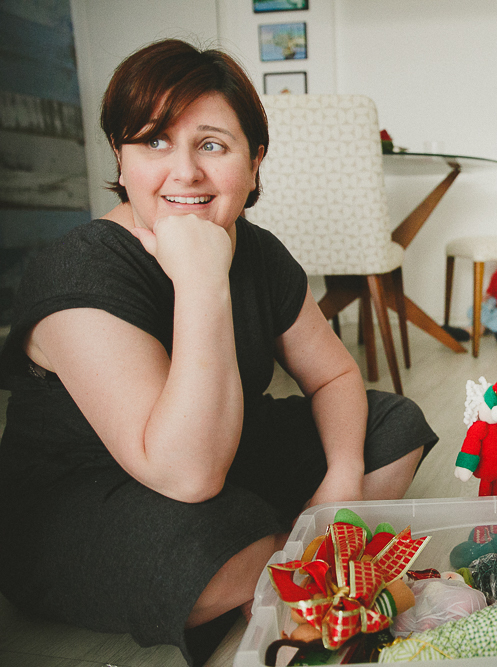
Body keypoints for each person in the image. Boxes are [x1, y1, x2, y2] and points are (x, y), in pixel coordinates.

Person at [0, 40, 438, 666]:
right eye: (154, 142)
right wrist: (201, 278)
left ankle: (281, 560)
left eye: (211, 145)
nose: (184, 172)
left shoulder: (256, 250)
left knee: (392, 424)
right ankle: (290, 558)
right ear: (121, 158)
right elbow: (188, 475)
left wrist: (342, 479)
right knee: (218, 537)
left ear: (254, 162)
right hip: (89, 495)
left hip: (219, 450)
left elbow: (334, 374)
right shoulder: (83, 268)